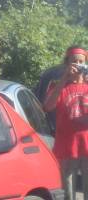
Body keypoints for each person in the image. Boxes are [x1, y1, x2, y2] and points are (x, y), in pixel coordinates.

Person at [43, 46, 88, 200]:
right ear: (67, 63)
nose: (78, 65)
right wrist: (64, 79)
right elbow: (48, 107)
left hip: (87, 145)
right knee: (68, 193)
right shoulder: (58, 85)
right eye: (74, 61)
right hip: (67, 147)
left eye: (81, 62)